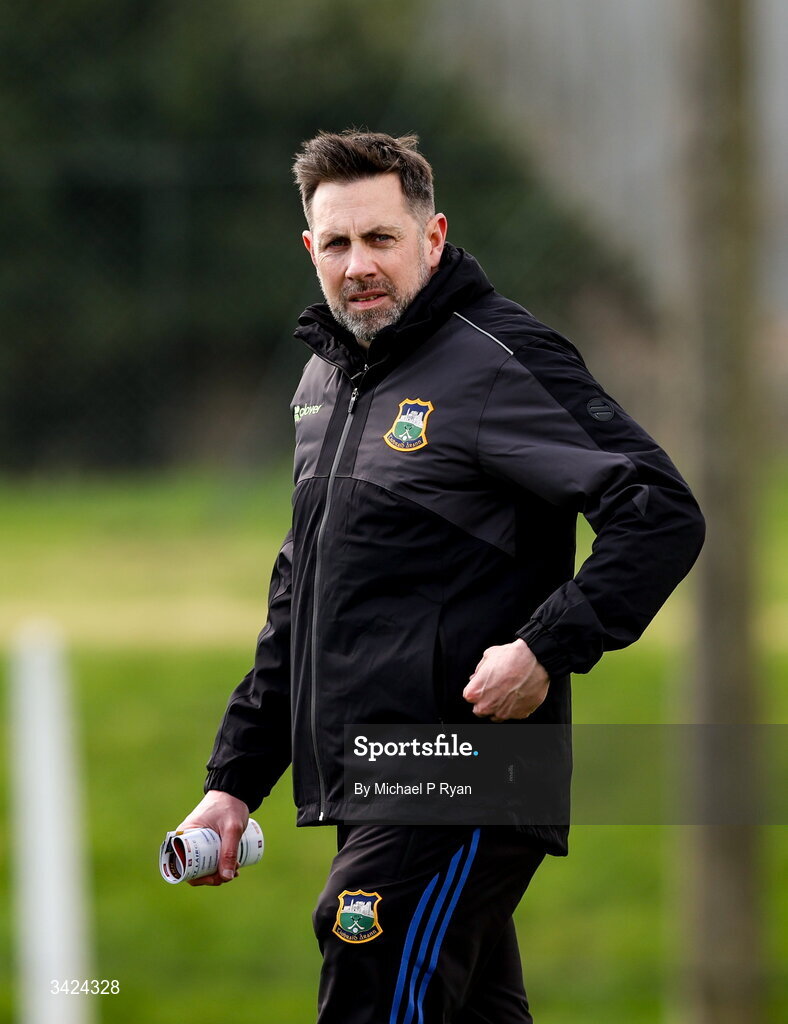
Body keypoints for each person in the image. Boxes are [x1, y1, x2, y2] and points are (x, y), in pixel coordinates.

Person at [176, 130, 705, 1023]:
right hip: (375, 771)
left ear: (432, 235)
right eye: (337, 244)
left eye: (381, 238)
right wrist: (234, 780)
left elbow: (660, 511)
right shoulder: (324, 382)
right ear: (311, 250)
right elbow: (300, 603)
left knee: (363, 944)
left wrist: (547, 644)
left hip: (468, 765)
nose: (358, 266)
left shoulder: (499, 356)